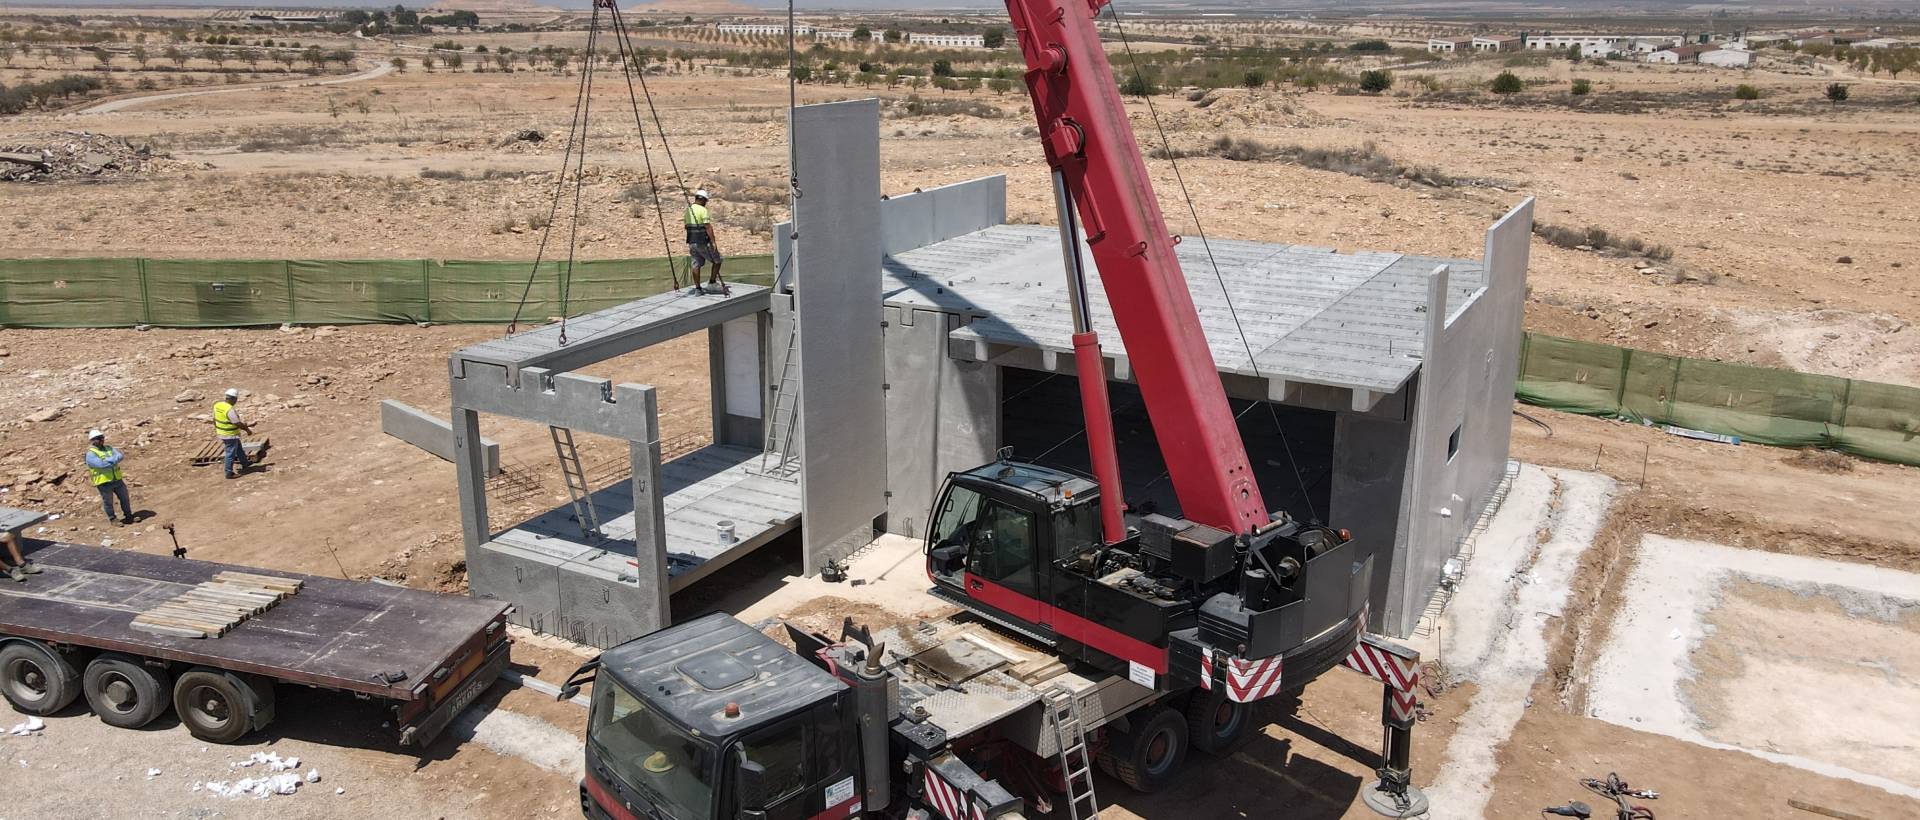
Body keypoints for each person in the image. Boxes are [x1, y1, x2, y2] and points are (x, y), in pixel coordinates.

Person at [684, 189, 729, 296]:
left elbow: (686, 226)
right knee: (717, 260)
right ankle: (712, 283)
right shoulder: (702, 210)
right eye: (706, 201)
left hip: (691, 242)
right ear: (703, 200)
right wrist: (713, 241)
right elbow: (708, 226)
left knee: (696, 264)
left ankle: (698, 289)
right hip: (702, 242)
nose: (706, 203)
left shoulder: (688, 210)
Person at [84, 429, 134, 526]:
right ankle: (113, 519)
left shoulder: (109, 448)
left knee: (125, 498)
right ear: (92, 440)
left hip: (117, 479)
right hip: (104, 483)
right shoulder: (90, 454)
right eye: (99, 438)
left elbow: (120, 456)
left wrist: (109, 460)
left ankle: (129, 516)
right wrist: (113, 460)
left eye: (102, 437)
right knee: (108, 502)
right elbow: (101, 465)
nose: (101, 440)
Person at [213, 388, 255, 479]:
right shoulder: (229, 410)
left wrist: (217, 428)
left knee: (238, 448)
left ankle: (245, 463)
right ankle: (229, 473)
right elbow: (237, 423)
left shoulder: (217, 405)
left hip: (222, 432)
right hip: (230, 434)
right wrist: (247, 429)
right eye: (235, 399)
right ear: (233, 399)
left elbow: (214, 418)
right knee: (230, 453)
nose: (236, 401)